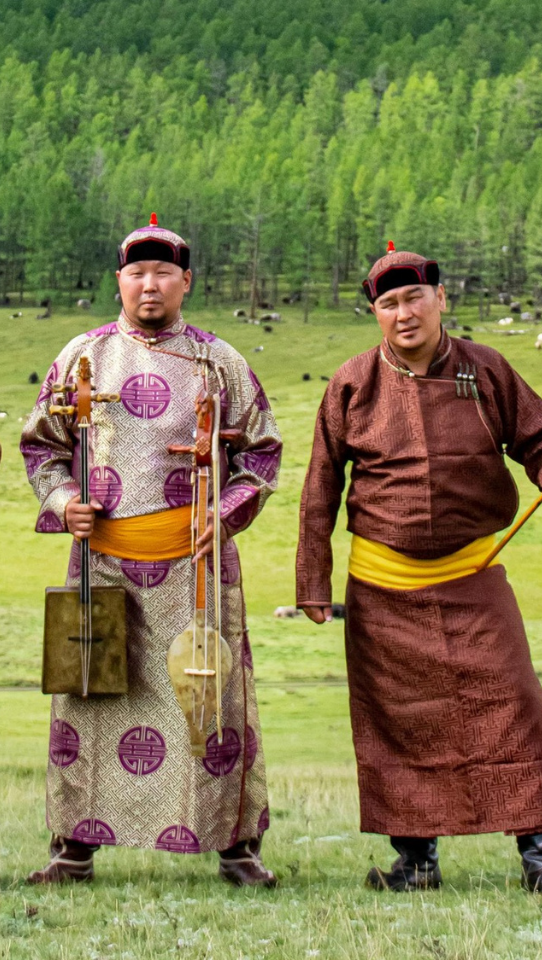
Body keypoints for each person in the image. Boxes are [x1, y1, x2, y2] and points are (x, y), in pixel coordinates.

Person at [296, 246, 542, 898]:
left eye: (414, 298)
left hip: (472, 575)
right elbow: (320, 489)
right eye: (388, 303)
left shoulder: (487, 370)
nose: (403, 313)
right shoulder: (350, 384)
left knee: (514, 704)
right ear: (376, 312)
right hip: (382, 588)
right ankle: (415, 863)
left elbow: (540, 438)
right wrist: (312, 582)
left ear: (441, 299)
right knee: (399, 723)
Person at [21, 215, 281, 886]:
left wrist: (223, 515)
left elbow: (261, 455)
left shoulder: (219, 362)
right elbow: (42, 448)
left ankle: (235, 845)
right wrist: (61, 503)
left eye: (163, 272)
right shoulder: (81, 358)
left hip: (194, 566)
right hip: (102, 562)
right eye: (137, 272)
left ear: (185, 282)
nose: (149, 285)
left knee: (208, 699)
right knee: (90, 699)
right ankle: (74, 846)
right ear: (119, 280)